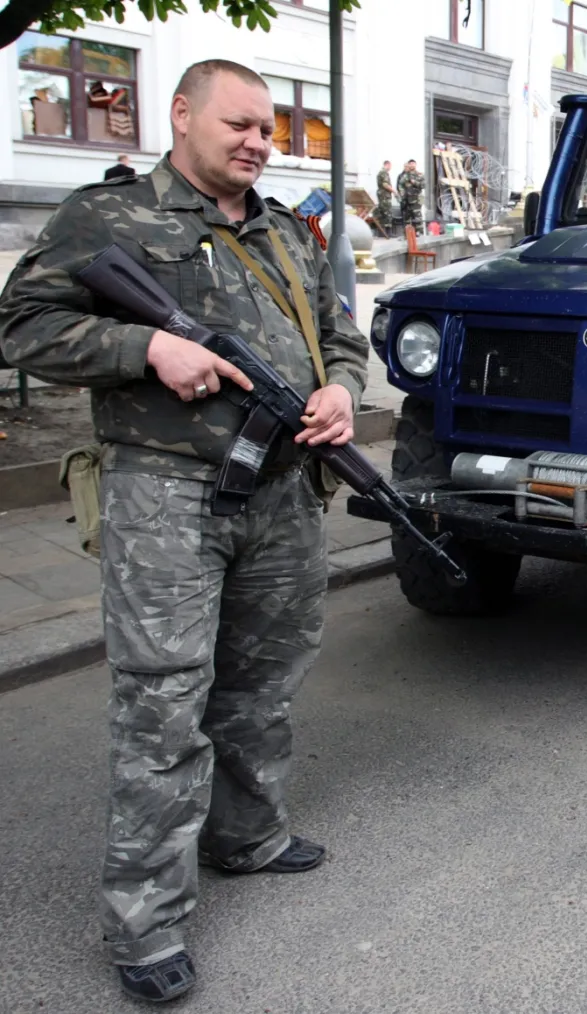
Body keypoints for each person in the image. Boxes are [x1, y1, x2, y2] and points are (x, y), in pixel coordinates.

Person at [0, 59, 368, 1002]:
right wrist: (145, 347)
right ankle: (145, 927)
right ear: (181, 115)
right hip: (165, 497)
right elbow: (22, 327)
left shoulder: (288, 231)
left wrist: (337, 390)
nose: (256, 142)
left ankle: (247, 835)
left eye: (267, 132)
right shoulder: (107, 217)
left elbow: (342, 334)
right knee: (163, 704)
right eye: (239, 124)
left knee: (262, 680)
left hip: (282, 494)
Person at [397, 157, 425, 233]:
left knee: (417, 217)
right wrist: (402, 194)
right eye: (410, 164)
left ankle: (419, 233)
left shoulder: (420, 175)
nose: (412, 165)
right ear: (408, 165)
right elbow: (400, 185)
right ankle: (408, 234)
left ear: (416, 165)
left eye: (413, 164)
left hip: (417, 199)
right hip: (407, 199)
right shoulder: (405, 176)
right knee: (407, 218)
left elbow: (423, 186)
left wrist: (414, 182)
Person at [375, 158, 395, 236]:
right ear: (388, 165)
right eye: (390, 166)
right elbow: (385, 184)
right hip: (384, 195)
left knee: (382, 212)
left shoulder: (380, 172)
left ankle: (382, 233)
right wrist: (394, 191)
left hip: (382, 195)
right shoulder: (384, 173)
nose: (390, 168)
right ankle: (388, 232)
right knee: (387, 212)